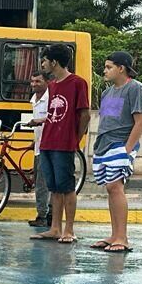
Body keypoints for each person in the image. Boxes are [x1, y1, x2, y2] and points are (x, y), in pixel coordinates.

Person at [90, 51, 142, 253]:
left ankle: (122, 237)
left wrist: (127, 149)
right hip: (104, 145)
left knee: (116, 187)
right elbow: (107, 121)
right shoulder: (107, 93)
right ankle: (114, 235)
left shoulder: (135, 88)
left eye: (109, 67)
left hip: (121, 144)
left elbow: (140, 121)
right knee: (110, 188)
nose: (104, 71)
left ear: (121, 68)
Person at [34, 42, 91, 245]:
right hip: (48, 141)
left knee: (67, 187)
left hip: (65, 143)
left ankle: (69, 229)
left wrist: (76, 139)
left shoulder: (77, 82)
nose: (43, 63)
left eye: (45, 60)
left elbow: (84, 113)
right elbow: (52, 114)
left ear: (54, 62)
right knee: (54, 187)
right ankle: (55, 227)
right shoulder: (53, 85)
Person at [27, 70, 52, 228]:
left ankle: (42, 216)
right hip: (38, 145)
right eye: (32, 81)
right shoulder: (34, 99)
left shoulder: (50, 98)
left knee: (42, 184)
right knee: (39, 182)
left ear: (47, 82)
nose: (34, 84)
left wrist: (39, 121)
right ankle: (46, 213)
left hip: (48, 145)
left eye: (38, 81)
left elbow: (54, 118)